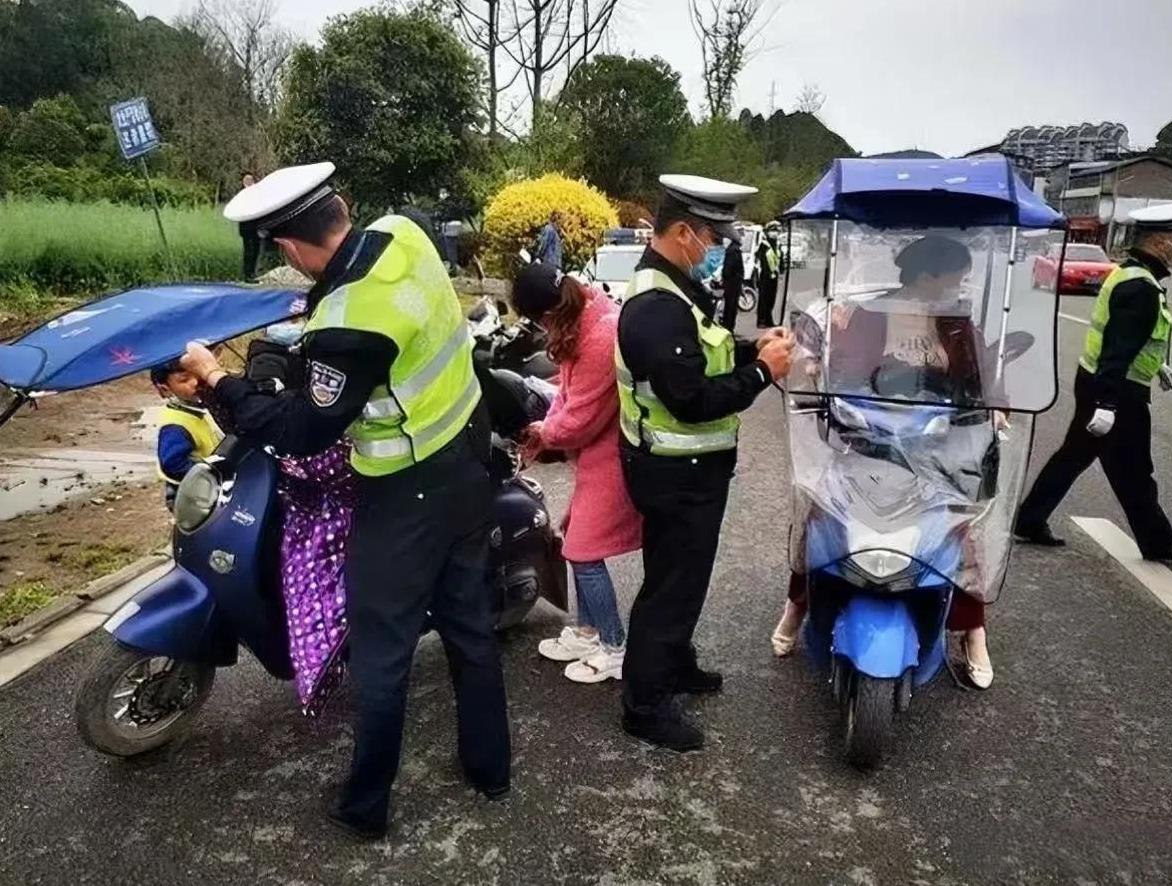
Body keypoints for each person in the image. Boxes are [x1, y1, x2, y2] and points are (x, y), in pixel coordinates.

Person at [178, 162, 510, 840]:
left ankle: (366, 808)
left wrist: (217, 381)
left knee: (380, 658)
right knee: (470, 630)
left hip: (406, 495)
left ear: (290, 248)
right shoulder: (405, 234)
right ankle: (490, 769)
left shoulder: (345, 322)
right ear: (344, 208)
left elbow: (304, 427)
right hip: (468, 462)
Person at [770, 234, 1002, 688]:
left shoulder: (957, 322)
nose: (960, 285)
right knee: (820, 514)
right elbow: (834, 362)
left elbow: (982, 374)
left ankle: (973, 631)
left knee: (959, 534)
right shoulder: (866, 315)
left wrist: (997, 404)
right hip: (867, 439)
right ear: (928, 274)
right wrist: (818, 374)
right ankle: (798, 604)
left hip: (937, 448)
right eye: (956, 276)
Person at [615, 174, 795, 751]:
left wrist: (754, 348)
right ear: (684, 232)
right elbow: (690, 399)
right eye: (715, 236)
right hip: (675, 474)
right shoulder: (655, 307)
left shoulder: (676, 283)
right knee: (670, 587)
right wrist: (765, 372)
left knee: (682, 580)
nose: (720, 247)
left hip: (688, 473)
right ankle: (644, 704)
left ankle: (675, 662)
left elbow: (705, 351)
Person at [1015, 201, 1172, 562]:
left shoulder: (1131, 273)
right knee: (1134, 468)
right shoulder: (1140, 288)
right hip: (1118, 391)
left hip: (1099, 383)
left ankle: (1030, 518)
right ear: (1160, 242)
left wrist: (1157, 365)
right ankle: (1157, 541)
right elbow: (1117, 351)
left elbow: (1126, 340)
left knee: (1080, 458)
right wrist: (1107, 404)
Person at [511, 263, 642, 684]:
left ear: (543, 315)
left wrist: (541, 432)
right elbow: (567, 393)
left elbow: (580, 419)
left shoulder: (602, 333)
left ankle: (614, 646)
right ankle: (588, 632)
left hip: (613, 455)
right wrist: (548, 425)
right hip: (596, 455)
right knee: (576, 537)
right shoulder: (584, 314)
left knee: (584, 551)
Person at [151, 359, 223, 512]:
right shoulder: (175, 425)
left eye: (197, 374)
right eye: (184, 379)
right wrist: (212, 475)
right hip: (192, 494)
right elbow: (172, 463)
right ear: (165, 390)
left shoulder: (194, 409)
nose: (195, 382)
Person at [755, 222, 783, 328]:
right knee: (763, 299)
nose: (774, 233)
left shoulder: (777, 244)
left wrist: (781, 269)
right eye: (772, 231)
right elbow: (761, 260)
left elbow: (779, 258)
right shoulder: (764, 245)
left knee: (771, 299)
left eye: (776, 231)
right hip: (765, 276)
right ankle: (761, 320)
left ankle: (769, 319)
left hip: (774, 276)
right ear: (767, 232)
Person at [237, 172, 261, 283]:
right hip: (246, 228)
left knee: (256, 250)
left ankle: (252, 273)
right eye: (247, 180)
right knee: (249, 251)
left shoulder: (256, 194)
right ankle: (248, 275)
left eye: (251, 180)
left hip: (256, 227)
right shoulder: (241, 194)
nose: (249, 181)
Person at [719, 236, 744, 332]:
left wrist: (723, 278)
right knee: (733, 307)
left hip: (731, 283)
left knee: (729, 307)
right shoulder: (737, 250)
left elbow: (727, 270)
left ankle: (727, 327)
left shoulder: (731, 251)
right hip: (737, 282)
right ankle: (730, 326)